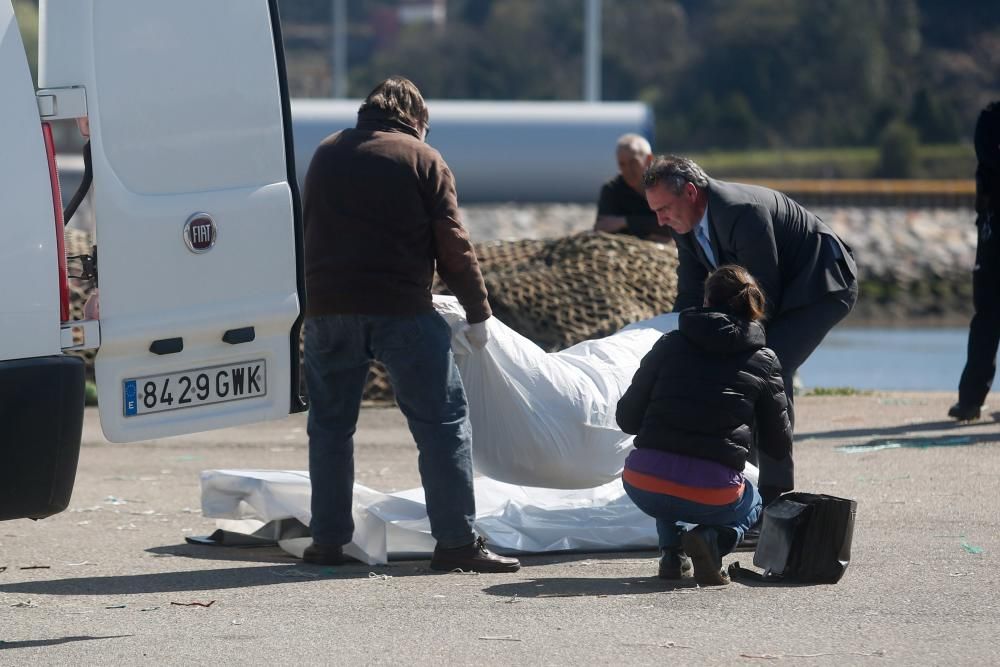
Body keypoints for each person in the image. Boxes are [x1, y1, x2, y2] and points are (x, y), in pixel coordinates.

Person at [301, 76, 519, 573]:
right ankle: (456, 542)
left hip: (327, 310)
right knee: (442, 425)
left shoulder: (326, 153)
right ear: (416, 118)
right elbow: (453, 245)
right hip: (400, 308)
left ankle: (328, 541)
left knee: (330, 428)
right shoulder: (423, 159)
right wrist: (479, 312)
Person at [643, 156, 857, 512]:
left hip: (820, 285)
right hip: (776, 288)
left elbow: (762, 294)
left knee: (767, 367)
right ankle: (743, 490)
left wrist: (726, 346)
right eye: (655, 210)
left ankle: (774, 500)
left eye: (664, 208)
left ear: (692, 193)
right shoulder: (682, 223)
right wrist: (681, 334)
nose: (659, 219)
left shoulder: (742, 212)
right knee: (740, 366)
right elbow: (691, 290)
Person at [617, 265, 792, 585]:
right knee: (752, 498)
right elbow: (777, 443)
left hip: (642, 483)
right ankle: (713, 540)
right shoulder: (764, 359)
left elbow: (626, 419)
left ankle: (671, 555)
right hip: (712, 493)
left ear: (707, 300)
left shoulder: (670, 343)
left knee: (666, 463)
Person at [950, 101, 1000, 421]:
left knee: (986, 316)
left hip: (993, 227)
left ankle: (970, 401)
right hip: (994, 225)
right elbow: (989, 159)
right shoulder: (990, 119)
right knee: (986, 315)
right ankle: (970, 401)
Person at [594, 134, 670, 242]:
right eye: (622, 164)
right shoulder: (612, 190)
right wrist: (649, 230)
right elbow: (602, 229)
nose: (628, 170)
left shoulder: (666, 186)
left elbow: (675, 226)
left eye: (633, 162)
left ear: (648, 160)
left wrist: (625, 222)